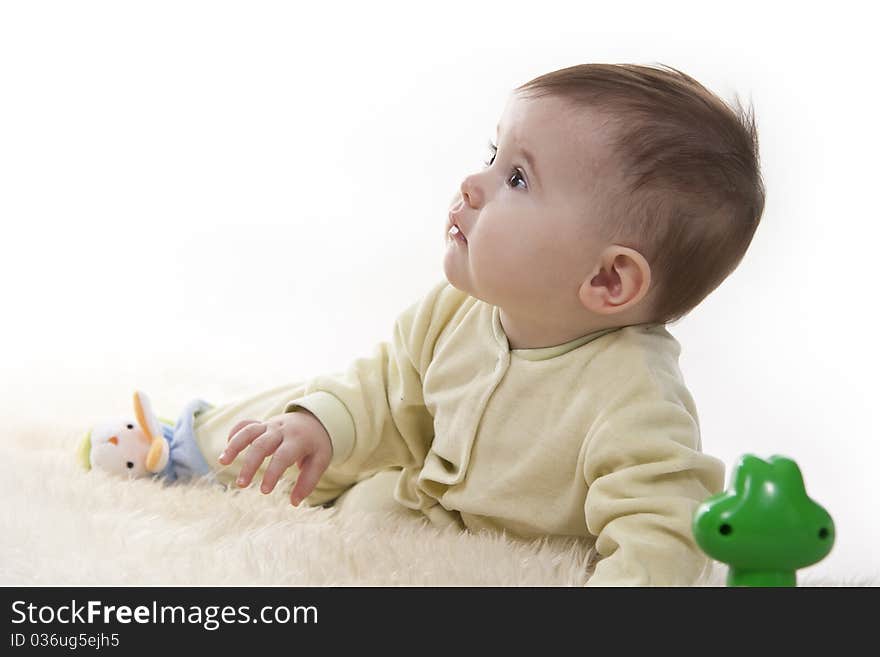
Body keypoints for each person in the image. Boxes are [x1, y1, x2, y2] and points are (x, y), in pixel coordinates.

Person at [193, 63, 766, 586]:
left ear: (610, 280)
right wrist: (318, 427)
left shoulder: (632, 397)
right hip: (416, 499)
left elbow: (665, 528)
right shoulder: (456, 310)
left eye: (517, 178)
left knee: (367, 511)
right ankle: (196, 444)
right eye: (494, 154)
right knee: (313, 423)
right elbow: (386, 388)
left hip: (500, 553)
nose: (473, 182)